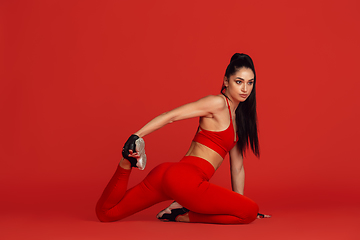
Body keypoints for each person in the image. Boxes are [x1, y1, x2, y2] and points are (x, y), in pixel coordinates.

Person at [96, 53, 270, 224]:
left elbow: (237, 167)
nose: (245, 89)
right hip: (186, 181)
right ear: (226, 81)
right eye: (238, 82)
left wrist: (238, 204)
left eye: (250, 83)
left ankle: (126, 163)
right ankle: (181, 215)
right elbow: (171, 116)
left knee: (106, 214)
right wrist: (136, 135)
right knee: (251, 211)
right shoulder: (217, 103)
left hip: (166, 174)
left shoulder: (240, 121)